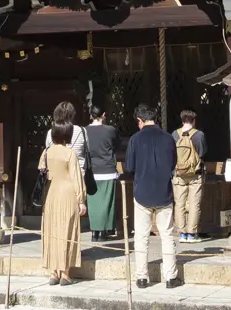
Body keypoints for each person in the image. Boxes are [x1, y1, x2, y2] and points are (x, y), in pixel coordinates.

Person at [124, 102, 181, 289]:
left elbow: (129, 167)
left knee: (141, 236)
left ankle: (142, 277)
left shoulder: (135, 139)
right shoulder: (168, 138)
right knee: (166, 235)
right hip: (164, 191)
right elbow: (174, 163)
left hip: (142, 193)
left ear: (140, 121)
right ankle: (171, 277)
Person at [39, 121, 85, 285]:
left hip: (51, 194)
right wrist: (81, 200)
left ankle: (53, 272)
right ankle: (65, 274)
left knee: (52, 230)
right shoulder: (70, 154)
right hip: (67, 194)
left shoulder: (46, 152)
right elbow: (76, 178)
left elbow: (41, 171)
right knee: (67, 231)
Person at [172, 109, 206, 243]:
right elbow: (202, 152)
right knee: (194, 204)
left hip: (178, 174)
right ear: (194, 120)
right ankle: (192, 234)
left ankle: (182, 234)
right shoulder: (199, 135)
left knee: (179, 204)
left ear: (182, 120)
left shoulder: (175, 134)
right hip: (195, 174)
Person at [85, 109, 119, 241]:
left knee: (93, 203)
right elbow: (116, 145)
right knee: (107, 203)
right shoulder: (110, 130)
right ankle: (104, 231)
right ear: (103, 114)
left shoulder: (85, 130)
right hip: (107, 168)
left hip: (92, 170)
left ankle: (94, 231)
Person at [44, 100, 88, 180]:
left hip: (56, 177)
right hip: (78, 176)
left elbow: (48, 152)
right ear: (72, 115)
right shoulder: (82, 131)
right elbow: (87, 150)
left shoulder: (50, 132)